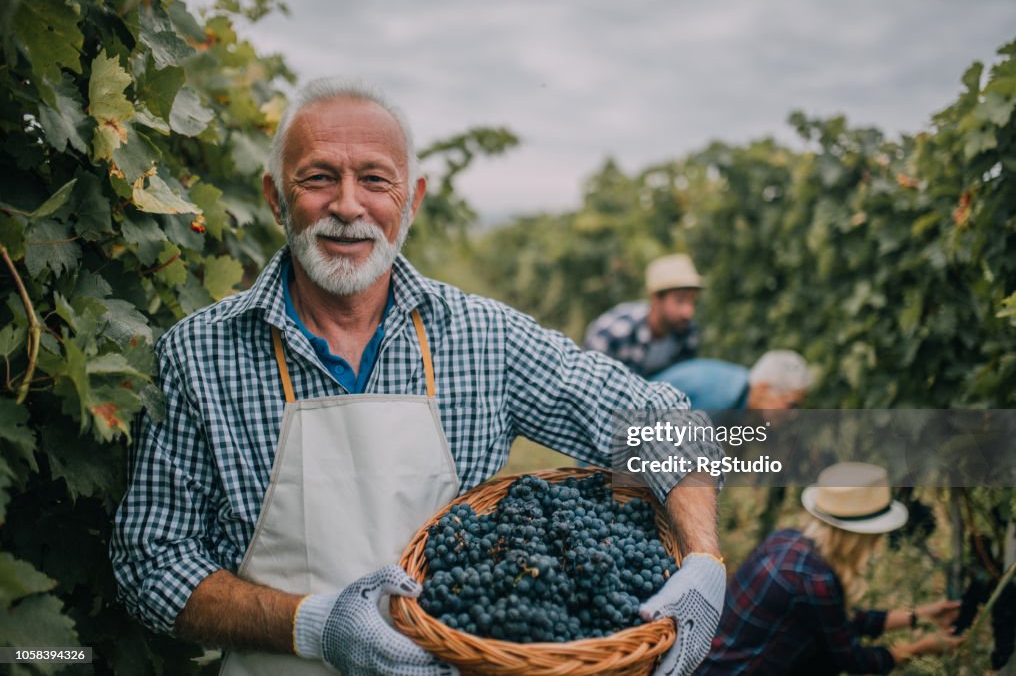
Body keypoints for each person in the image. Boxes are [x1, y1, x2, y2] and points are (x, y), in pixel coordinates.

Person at [109, 78, 728, 676]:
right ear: (275, 197)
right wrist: (314, 626)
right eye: (319, 178)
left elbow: (662, 418)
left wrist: (705, 561)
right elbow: (152, 565)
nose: (348, 206)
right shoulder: (198, 355)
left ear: (413, 200)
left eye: (375, 180)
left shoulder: (486, 338)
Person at [694, 462, 964, 675]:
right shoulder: (815, 579)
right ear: (860, 537)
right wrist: (923, 648)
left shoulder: (786, 540)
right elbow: (852, 658)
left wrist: (919, 616)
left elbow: (836, 620)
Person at [584, 253, 702, 377]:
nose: (688, 312)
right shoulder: (614, 332)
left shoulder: (687, 332)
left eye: (692, 301)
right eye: (680, 301)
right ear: (656, 299)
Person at [651, 350, 812, 412]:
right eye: (791, 405)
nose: (793, 415)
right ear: (763, 389)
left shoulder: (739, 388)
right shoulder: (720, 400)